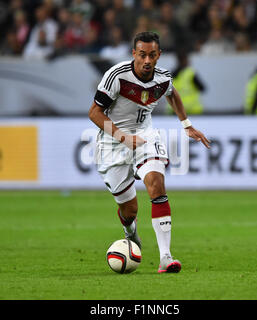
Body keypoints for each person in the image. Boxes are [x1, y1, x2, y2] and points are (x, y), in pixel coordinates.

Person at [88, 32, 210, 273]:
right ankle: (130, 232)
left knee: (156, 184)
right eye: (142, 54)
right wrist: (124, 137)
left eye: (152, 55)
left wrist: (186, 125)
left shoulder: (163, 77)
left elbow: (172, 93)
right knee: (129, 209)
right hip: (113, 142)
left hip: (145, 136)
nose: (147, 60)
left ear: (158, 55)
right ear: (134, 54)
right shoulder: (117, 76)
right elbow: (94, 112)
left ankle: (166, 257)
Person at [168, 50, 205, 115]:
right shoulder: (191, 74)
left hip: (175, 111)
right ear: (185, 60)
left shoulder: (171, 75)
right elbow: (202, 88)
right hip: (192, 110)